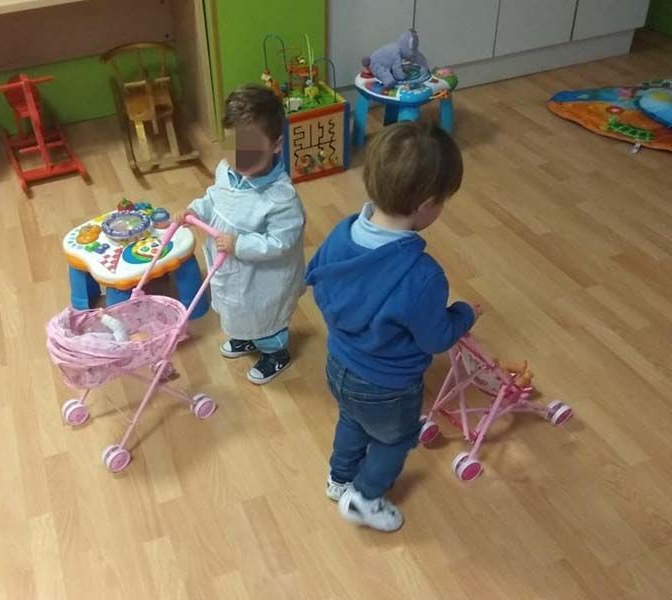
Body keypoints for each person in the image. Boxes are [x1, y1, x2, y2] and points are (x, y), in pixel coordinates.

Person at [305, 121, 481, 531]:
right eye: (443, 202)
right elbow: (436, 337)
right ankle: (364, 499)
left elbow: (319, 281)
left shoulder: (342, 231)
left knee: (351, 418)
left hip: (338, 365)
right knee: (393, 439)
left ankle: (339, 478)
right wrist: (464, 314)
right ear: (426, 204)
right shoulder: (421, 275)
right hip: (387, 386)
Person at [179, 85, 305, 384]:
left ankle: (275, 352)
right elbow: (214, 199)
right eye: (233, 146)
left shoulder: (280, 198)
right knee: (235, 306)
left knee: (263, 312)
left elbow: (282, 242)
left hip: (263, 277)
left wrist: (240, 244)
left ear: (276, 146)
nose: (240, 158)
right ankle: (246, 336)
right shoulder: (226, 171)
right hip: (229, 267)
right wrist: (195, 211)